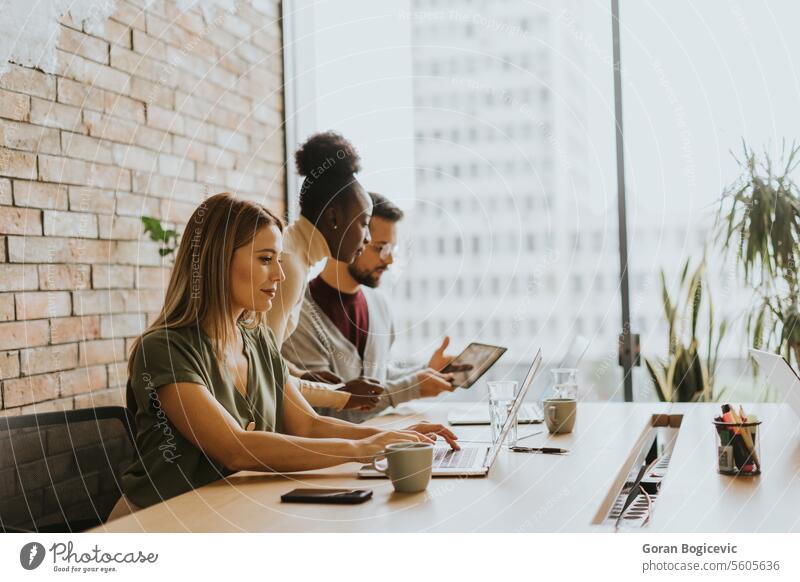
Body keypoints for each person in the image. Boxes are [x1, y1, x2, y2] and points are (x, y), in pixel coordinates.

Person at [110, 193, 458, 520]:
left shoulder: (258, 337)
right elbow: (236, 448)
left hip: (229, 510)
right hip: (158, 521)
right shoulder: (164, 349)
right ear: (217, 261)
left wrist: (392, 437)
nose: (279, 274)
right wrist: (365, 448)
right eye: (265, 259)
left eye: (278, 259)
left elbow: (307, 424)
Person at [281, 192, 467, 422]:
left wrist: (426, 370)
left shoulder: (379, 304)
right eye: (380, 248)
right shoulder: (298, 312)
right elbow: (323, 409)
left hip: (375, 442)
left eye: (391, 249)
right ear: (351, 238)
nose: (388, 260)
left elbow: (377, 376)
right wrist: (412, 388)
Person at [266, 131, 385, 412]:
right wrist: (339, 393)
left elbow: (262, 353)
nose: (367, 238)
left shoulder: (295, 257)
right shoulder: (290, 267)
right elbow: (261, 370)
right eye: (364, 223)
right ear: (333, 218)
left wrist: (301, 375)